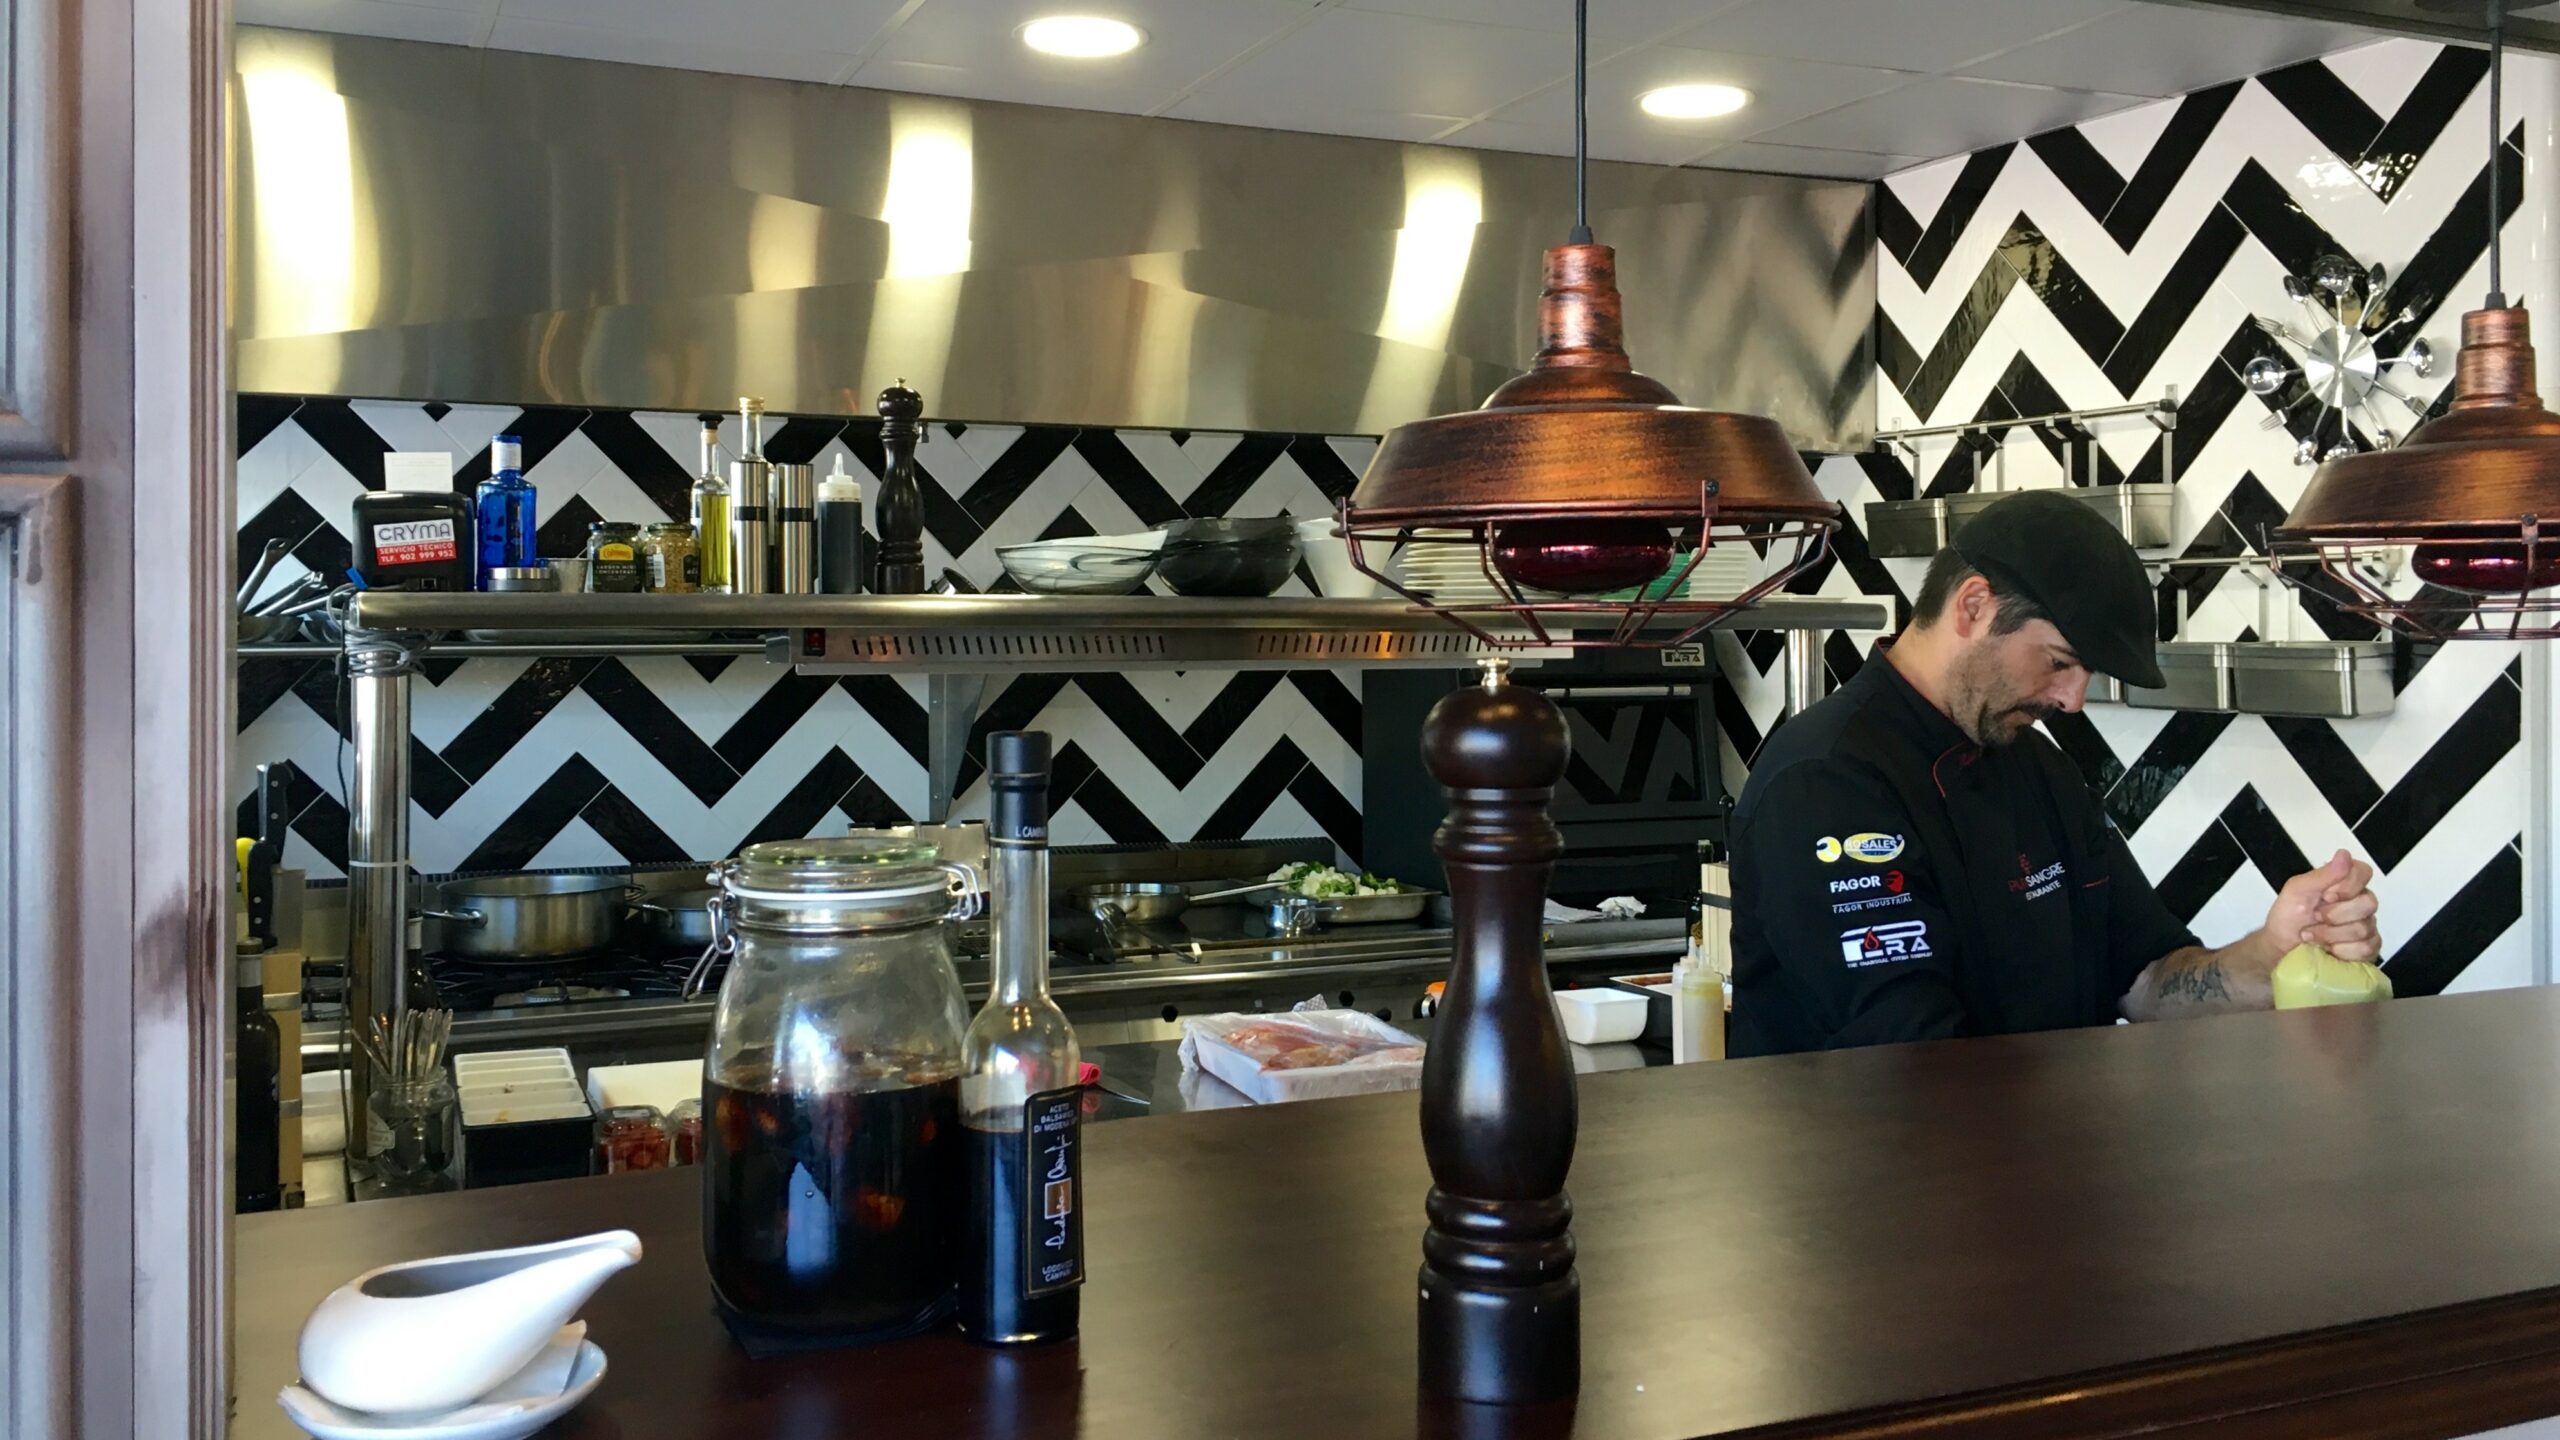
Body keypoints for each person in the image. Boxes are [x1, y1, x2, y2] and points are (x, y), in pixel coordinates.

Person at [1726, 490, 2381, 1057]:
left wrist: (2272, 953)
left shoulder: (2037, 768)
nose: (2072, 700)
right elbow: (1913, 1064)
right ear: (1973, 606)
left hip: (2043, 1155)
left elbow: (2147, 978)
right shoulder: (1823, 783)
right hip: (1881, 1165)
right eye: (2060, 662)